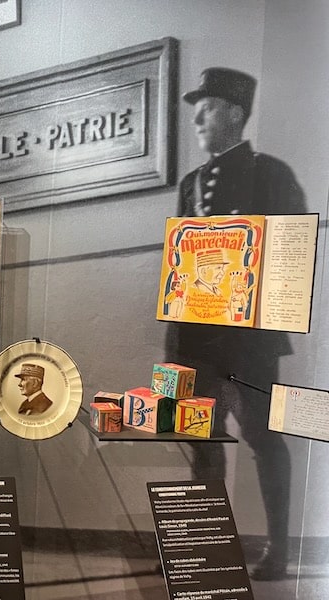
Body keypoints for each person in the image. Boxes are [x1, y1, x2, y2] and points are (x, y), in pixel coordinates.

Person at [169, 67, 306, 581]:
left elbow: (292, 257)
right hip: (199, 341)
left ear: (233, 111)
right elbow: (178, 270)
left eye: (206, 106)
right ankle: (208, 548)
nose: (198, 117)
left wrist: (263, 316)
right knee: (201, 441)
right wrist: (174, 347)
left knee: (264, 438)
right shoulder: (190, 185)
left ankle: (277, 551)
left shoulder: (273, 174)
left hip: (251, 341)